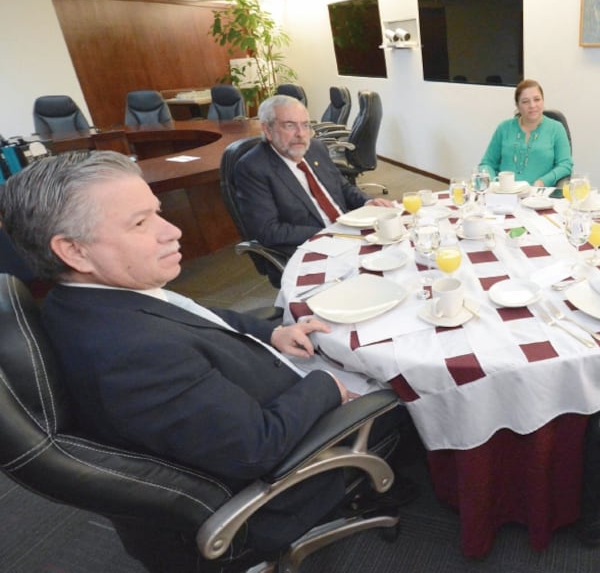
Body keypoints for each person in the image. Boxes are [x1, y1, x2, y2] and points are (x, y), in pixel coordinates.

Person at [0, 150, 405, 569]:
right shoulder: (135, 355)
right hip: (284, 472)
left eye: (157, 212)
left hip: (256, 383)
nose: (172, 230)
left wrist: (273, 332)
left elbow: (196, 317)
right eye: (140, 223)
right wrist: (327, 387)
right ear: (74, 251)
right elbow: (257, 448)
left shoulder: (90, 301)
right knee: (406, 379)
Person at [234, 94, 394, 261]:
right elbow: (269, 231)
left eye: (305, 125)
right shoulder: (252, 168)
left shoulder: (316, 148)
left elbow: (343, 187)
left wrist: (366, 202)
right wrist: (332, 231)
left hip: (348, 233)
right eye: (289, 125)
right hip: (311, 247)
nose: (301, 134)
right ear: (268, 130)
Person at [477, 79, 573, 187]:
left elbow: (565, 165)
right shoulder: (503, 128)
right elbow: (487, 163)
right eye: (525, 101)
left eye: (537, 99)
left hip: (539, 195)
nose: (532, 105)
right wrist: (490, 181)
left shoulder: (556, 128)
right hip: (505, 195)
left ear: (543, 101)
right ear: (517, 105)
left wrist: (543, 181)